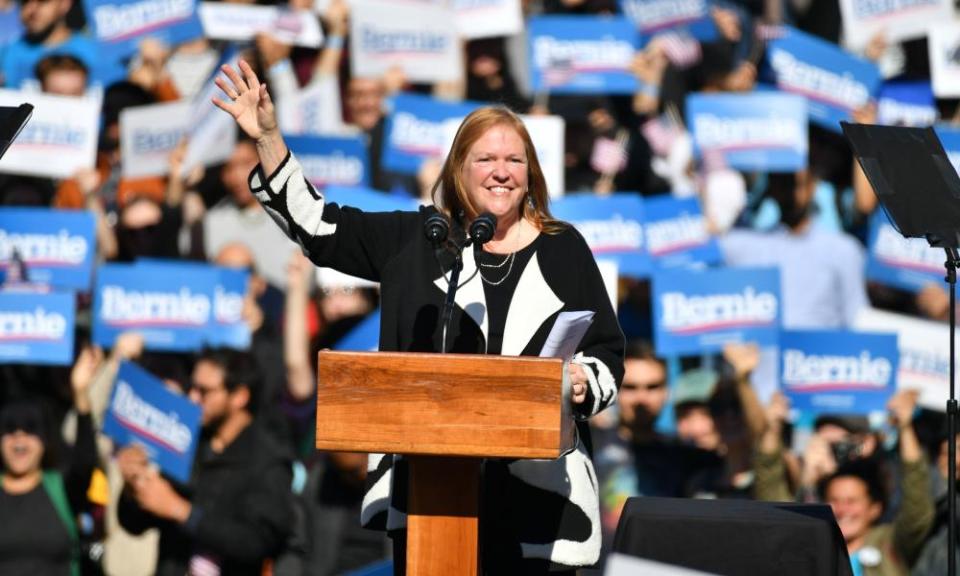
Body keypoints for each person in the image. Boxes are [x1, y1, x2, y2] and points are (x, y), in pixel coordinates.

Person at [213, 59, 625, 573]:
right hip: (434, 501)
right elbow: (316, 226)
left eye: (515, 160)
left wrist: (586, 381)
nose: (502, 171)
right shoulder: (419, 241)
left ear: (531, 172)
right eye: (486, 159)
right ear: (458, 169)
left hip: (540, 504)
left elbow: (607, 351)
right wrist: (269, 137)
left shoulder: (564, 249)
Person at [116, 349, 294, 576]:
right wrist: (134, 488)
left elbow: (257, 542)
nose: (193, 398)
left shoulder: (268, 460)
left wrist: (181, 511)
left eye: (205, 391)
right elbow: (135, 524)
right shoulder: (184, 440)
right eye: (192, 387)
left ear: (239, 396)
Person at [0, 346, 99, 576]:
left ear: (45, 441)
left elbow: (85, 461)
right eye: (10, 430)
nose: (19, 440)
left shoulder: (60, 487)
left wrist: (81, 392)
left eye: (30, 429)